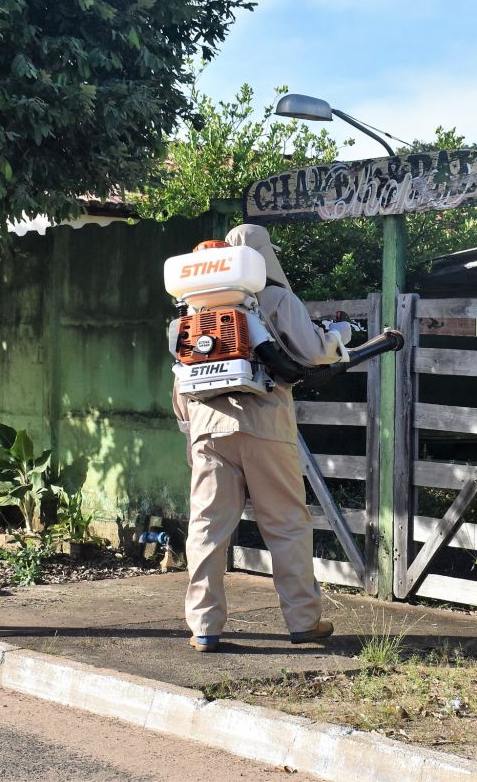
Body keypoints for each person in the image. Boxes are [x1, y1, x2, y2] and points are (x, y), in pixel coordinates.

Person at [173, 223, 348, 652]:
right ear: (263, 255)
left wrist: (190, 433)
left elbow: (180, 378)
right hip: (266, 425)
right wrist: (341, 335)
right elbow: (315, 353)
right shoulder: (273, 298)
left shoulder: (188, 311)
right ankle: (303, 621)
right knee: (286, 524)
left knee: (207, 529)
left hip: (206, 425)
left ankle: (204, 628)